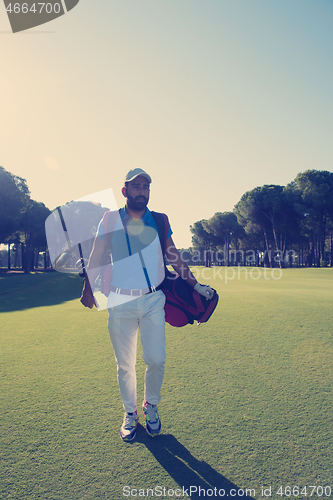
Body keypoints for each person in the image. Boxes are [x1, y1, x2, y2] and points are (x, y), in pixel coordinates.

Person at [80, 168, 214, 441]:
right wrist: (87, 288)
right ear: (125, 191)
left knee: (156, 359)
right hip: (119, 301)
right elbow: (97, 255)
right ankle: (130, 414)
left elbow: (174, 257)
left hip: (154, 299)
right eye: (137, 186)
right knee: (125, 365)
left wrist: (196, 285)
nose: (142, 191)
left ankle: (150, 406)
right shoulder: (109, 220)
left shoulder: (160, 221)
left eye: (146, 187)